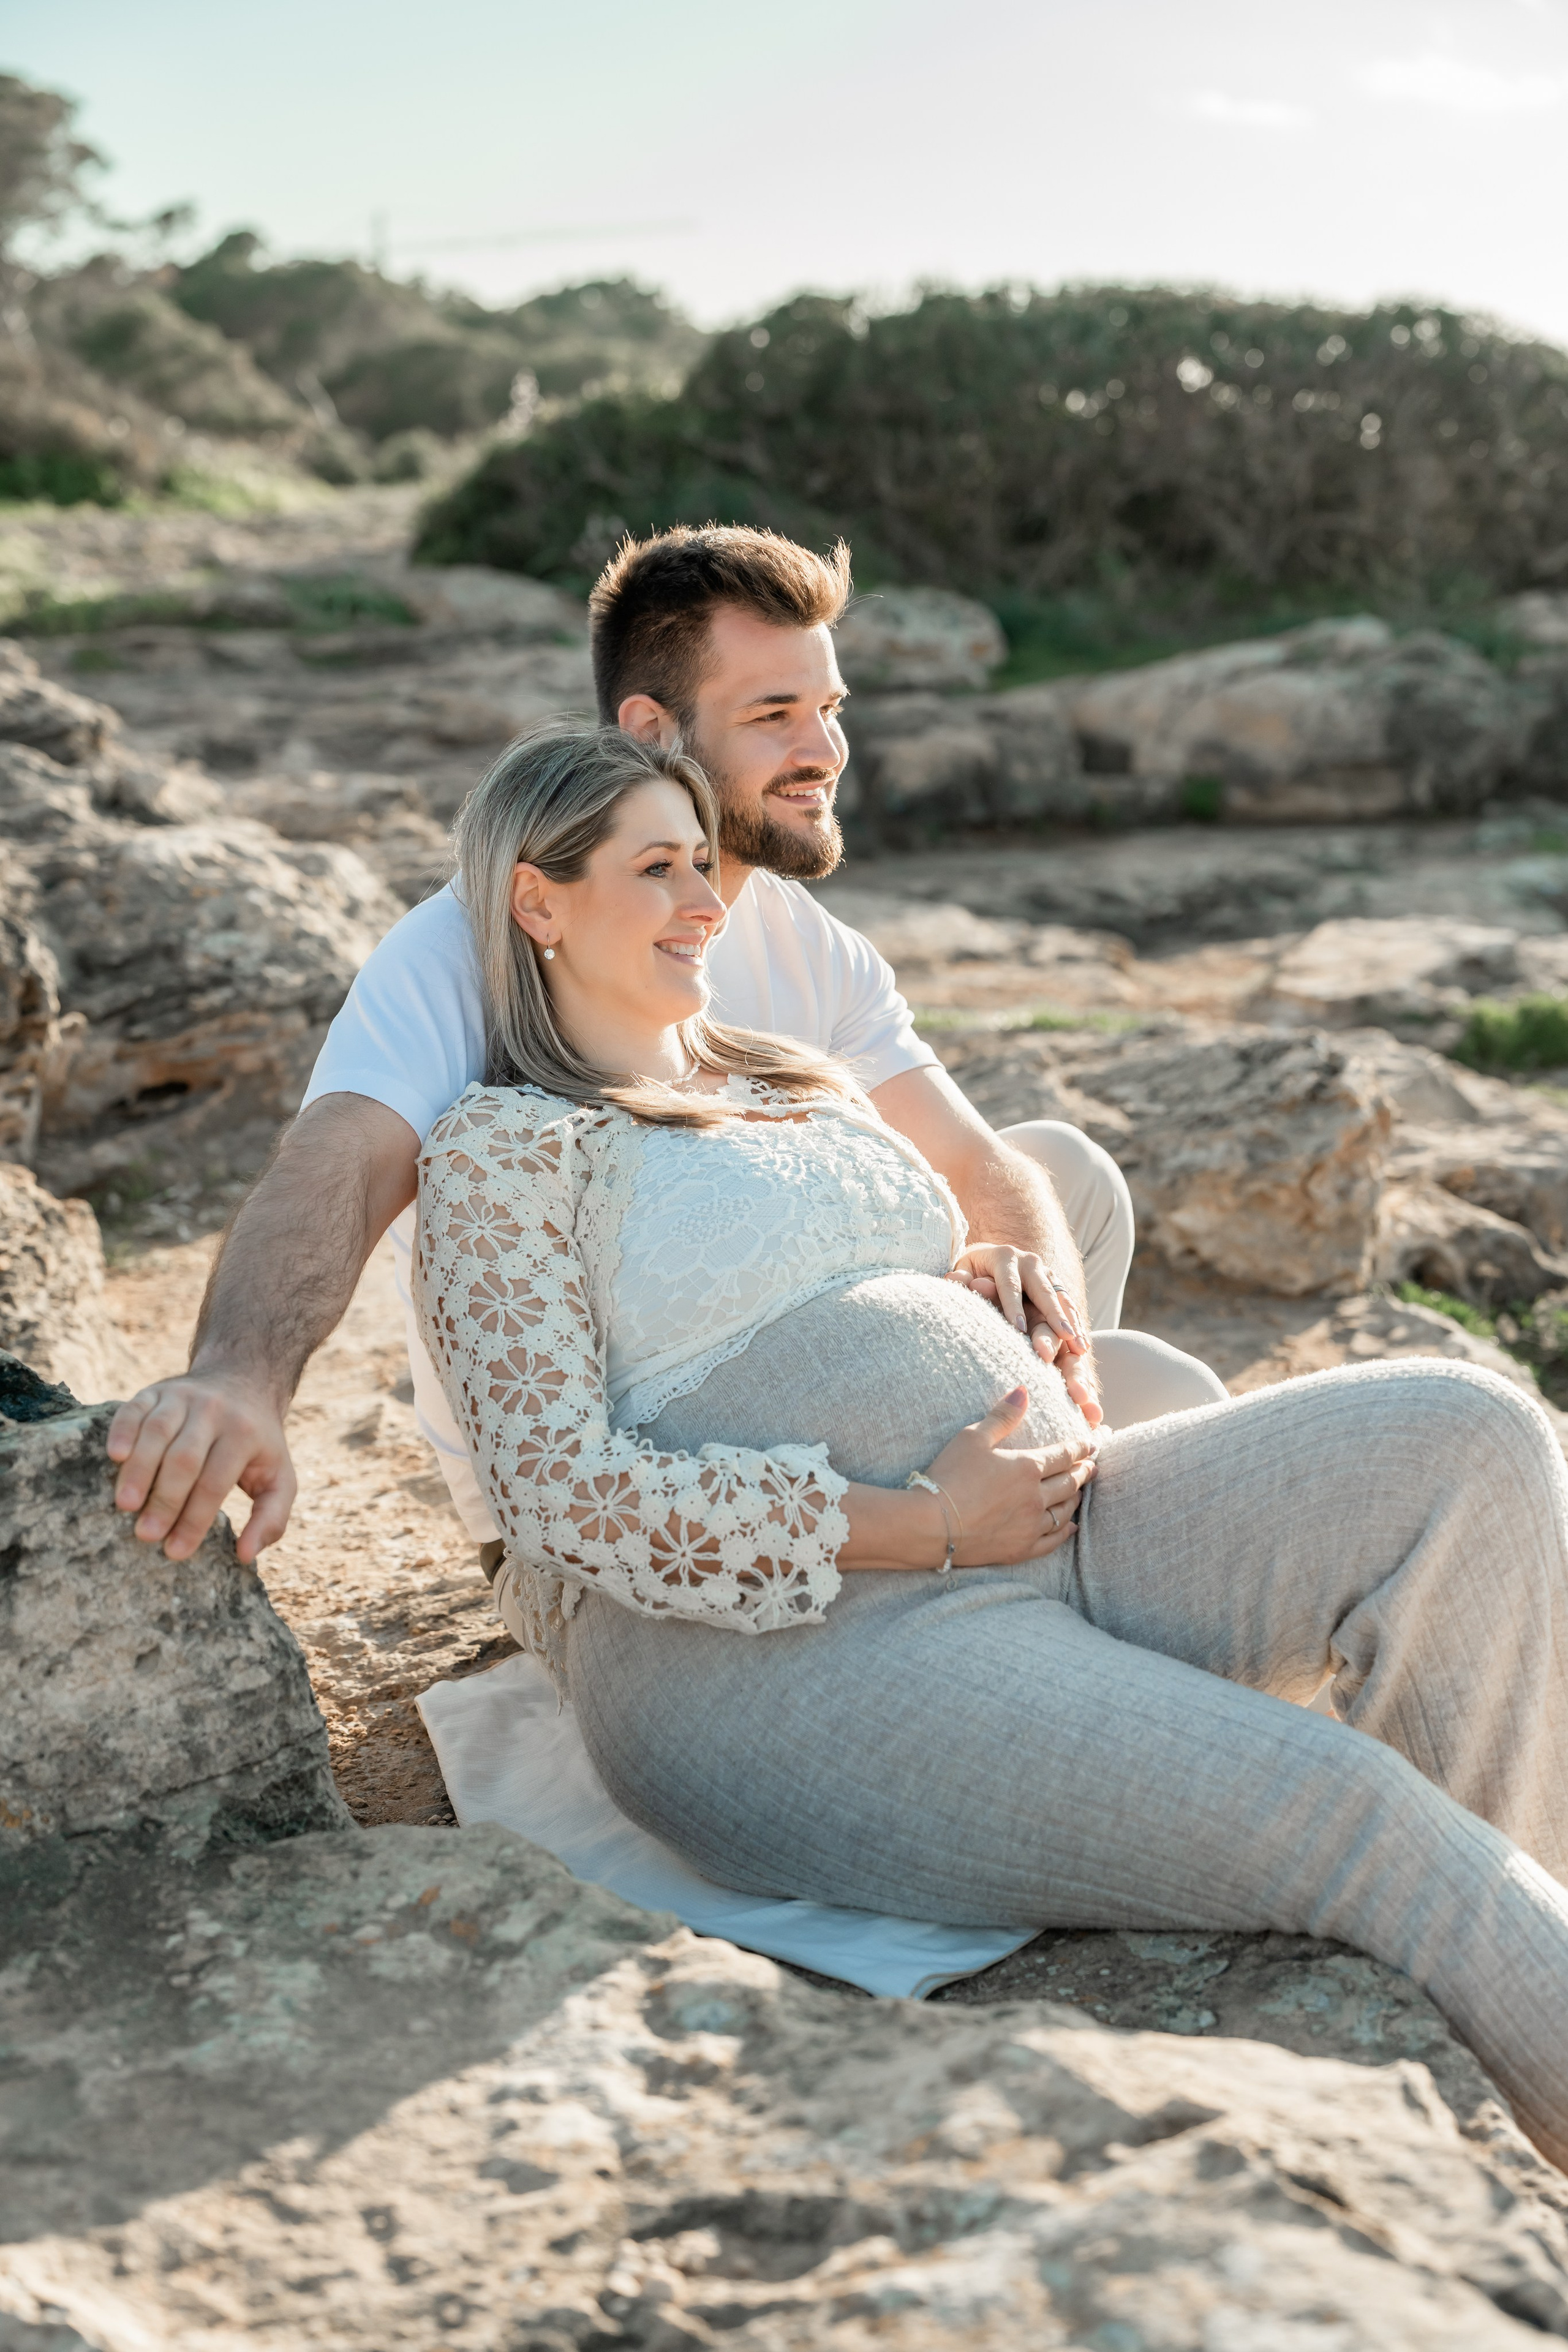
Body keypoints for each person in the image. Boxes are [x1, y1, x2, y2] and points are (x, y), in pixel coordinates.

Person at [416, 720, 1568, 2168]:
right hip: (799, 1656)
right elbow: (559, 1497)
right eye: (656, 869)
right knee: (1347, 1813)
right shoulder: (504, 1150)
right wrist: (924, 1522)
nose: (708, 900)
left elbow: (910, 1231)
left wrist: (977, 1277)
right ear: (539, 900)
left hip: (1057, 1528)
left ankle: (1512, 1983)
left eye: (703, 863)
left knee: (1471, 1437)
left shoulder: (781, 1076)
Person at [105, 526, 1223, 1567]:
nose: (824, 748)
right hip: (642, 1428)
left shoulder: (806, 939)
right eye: (774, 713)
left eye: (830, 706)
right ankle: (1064, 1527)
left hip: (814, 1322)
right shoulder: (483, 936)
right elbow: (339, 1161)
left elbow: (983, 1166)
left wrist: (1049, 1349)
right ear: (653, 731)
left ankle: (1051, 1484)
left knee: (1062, 1176)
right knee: (1161, 1405)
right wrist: (238, 1378)